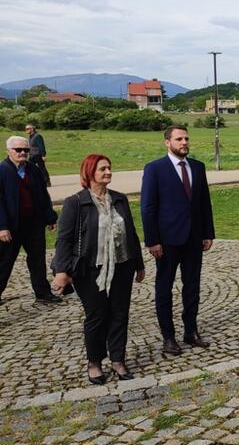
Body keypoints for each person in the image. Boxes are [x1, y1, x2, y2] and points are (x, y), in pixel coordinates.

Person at [51, 155, 145, 384]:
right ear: (89, 172)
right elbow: (64, 240)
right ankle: (94, 362)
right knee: (97, 315)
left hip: (123, 265)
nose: (108, 172)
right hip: (90, 269)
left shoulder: (120, 200)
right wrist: (61, 271)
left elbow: (130, 233)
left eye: (110, 168)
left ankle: (118, 359)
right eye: (103, 168)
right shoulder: (76, 202)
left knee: (120, 313)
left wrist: (138, 263)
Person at [140, 125, 215, 355]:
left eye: (186, 138)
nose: (184, 142)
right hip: (167, 241)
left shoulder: (197, 167)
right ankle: (168, 337)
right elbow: (148, 207)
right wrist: (152, 240)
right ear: (167, 142)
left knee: (192, 287)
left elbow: (204, 203)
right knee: (164, 288)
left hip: (193, 239)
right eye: (179, 139)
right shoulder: (155, 169)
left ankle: (191, 331)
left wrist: (208, 233)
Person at [0, 136, 59, 304]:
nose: (22, 153)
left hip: (33, 223)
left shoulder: (33, 169)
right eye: (18, 150)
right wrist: (2, 226)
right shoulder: (2, 170)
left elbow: (43, 196)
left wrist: (49, 217)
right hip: (11, 225)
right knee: (4, 261)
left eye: (26, 150)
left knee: (37, 259)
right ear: (8, 151)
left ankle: (43, 293)